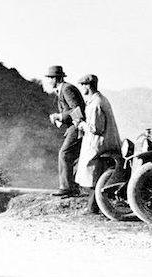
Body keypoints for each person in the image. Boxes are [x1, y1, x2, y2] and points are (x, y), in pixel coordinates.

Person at [74, 74, 121, 214]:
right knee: (95, 176)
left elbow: (96, 128)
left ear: (88, 86)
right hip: (103, 141)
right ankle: (93, 206)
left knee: (93, 174)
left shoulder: (96, 103)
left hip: (100, 144)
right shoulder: (98, 100)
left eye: (82, 85)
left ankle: (93, 207)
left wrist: (81, 124)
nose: (81, 88)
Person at [46, 66, 86, 197]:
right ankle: (72, 187)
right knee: (70, 156)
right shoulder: (63, 89)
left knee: (64, 154)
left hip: (76, 127)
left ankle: (67, 188)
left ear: (56, 78)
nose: (49, 81)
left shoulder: (67, 89)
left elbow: (77, 110)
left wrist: (59, 116)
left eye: (50, 78)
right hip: (73, 127)